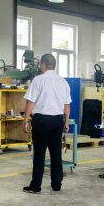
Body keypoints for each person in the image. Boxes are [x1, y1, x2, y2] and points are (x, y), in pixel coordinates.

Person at [22, 54, 71, 194]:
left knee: (39, 154)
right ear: (54, 65)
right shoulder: (63, 82)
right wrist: (66, 122)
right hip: (57, 121)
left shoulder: (38, 80)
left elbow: (30, 102)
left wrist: (26, 120)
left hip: (41, 121)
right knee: (56, 153)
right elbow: (67, 105)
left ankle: (36, 186)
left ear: (43, 64)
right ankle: (57, 184)